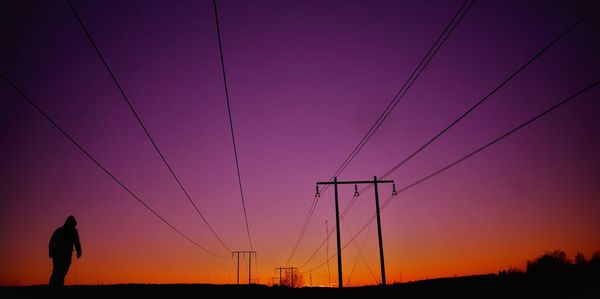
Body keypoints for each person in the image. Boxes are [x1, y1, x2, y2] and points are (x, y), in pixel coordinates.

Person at [49, 215, 82, 290]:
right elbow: (52, 241)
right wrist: (51, 252)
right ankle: (54, 287)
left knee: (61, 270)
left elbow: (76, 242)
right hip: (60, 254)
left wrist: (79, 251)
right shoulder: (62, 231)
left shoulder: (70, 231)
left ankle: (56, 286)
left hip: (63, 254)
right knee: (58, 270)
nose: (73, 226)